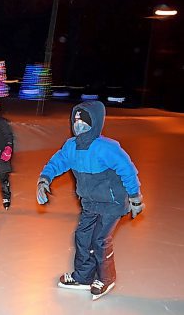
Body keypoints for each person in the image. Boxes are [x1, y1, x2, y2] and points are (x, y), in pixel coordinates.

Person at [36, 100, 144, 300]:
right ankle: (83, 276)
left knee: (100, 240)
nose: (79, 126)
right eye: (76, 121)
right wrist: (45, 178)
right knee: (82, 236)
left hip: (112, 202)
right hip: (90, 202)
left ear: (95, 124)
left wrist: (135, 197)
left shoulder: (106, 148)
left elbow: (127, 170)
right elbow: (57, 161)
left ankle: (106, 277)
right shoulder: (71, 147)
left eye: (84, 122)